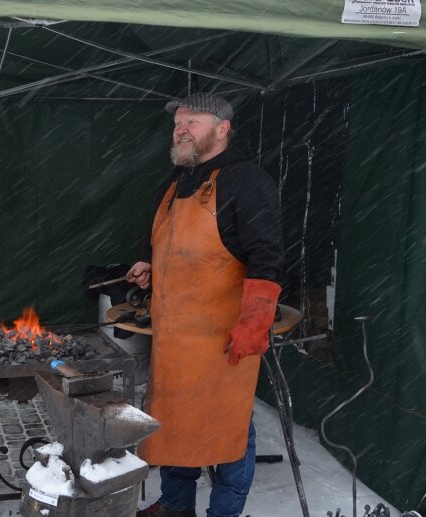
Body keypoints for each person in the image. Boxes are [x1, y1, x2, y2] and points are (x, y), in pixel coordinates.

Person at [126, 92, 283, 517]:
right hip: (174, 339)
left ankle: (224, 514)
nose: (181, 128)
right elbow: (168, 243)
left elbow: (266, 256)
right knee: (174, 427)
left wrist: (254, 324)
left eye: (192, 121)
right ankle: (176, 508)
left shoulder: (247, 180)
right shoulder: (176, 181)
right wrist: (148, 264)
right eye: (178, 122)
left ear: (223, 128)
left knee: (229, 433)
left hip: (221, 341)